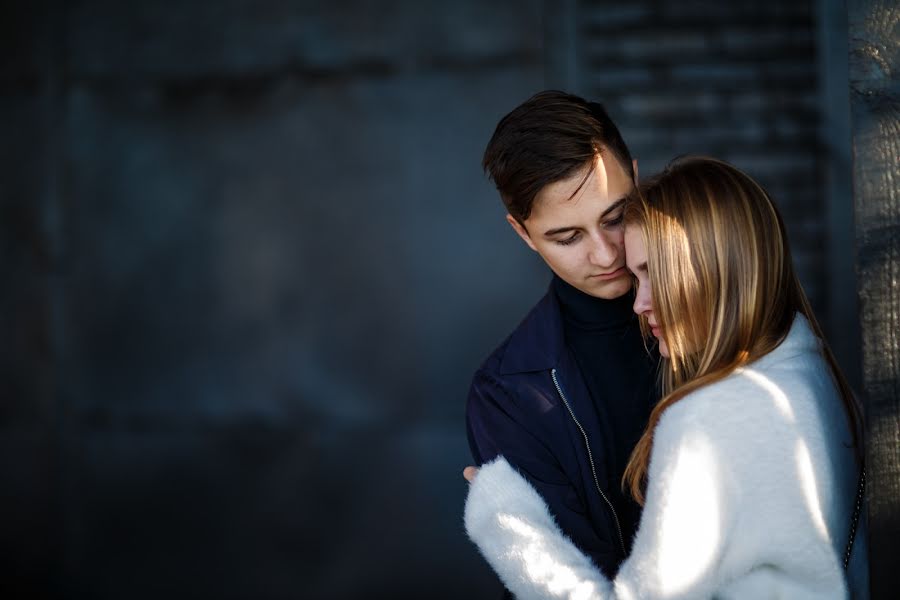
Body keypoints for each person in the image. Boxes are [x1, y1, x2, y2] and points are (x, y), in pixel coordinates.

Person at [464, 156, 868, 599]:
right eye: (637, 278)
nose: (638, 303)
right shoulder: (813, 373)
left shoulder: (708, 416)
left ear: (716, 266)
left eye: (653, 272)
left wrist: (508, 522)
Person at [466, 90, 659, 590]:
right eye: (567, 237)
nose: (604, 253)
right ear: (523, 234)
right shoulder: (508, 394)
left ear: (636, 178)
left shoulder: (727, 318)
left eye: (616, 217)